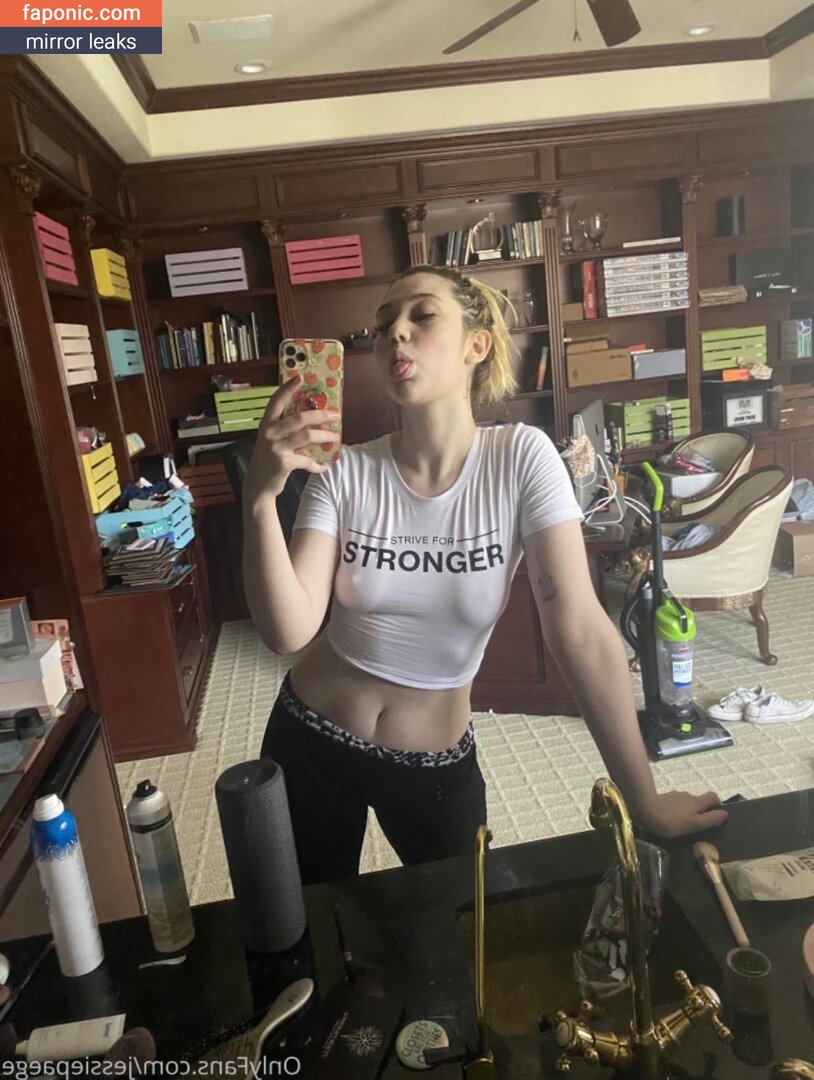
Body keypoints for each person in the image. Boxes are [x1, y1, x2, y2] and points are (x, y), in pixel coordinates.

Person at [243, 264, 727, 886]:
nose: (395, 334)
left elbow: (580, 632)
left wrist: (645, 799)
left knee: (465, 927)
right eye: (383, 325)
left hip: (432, 766)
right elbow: (287, 631)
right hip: (311, 739)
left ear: (477, 344)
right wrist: (260, 498)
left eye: (422, 315)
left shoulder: (521, 459)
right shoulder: (344, 472)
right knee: (306, 928)